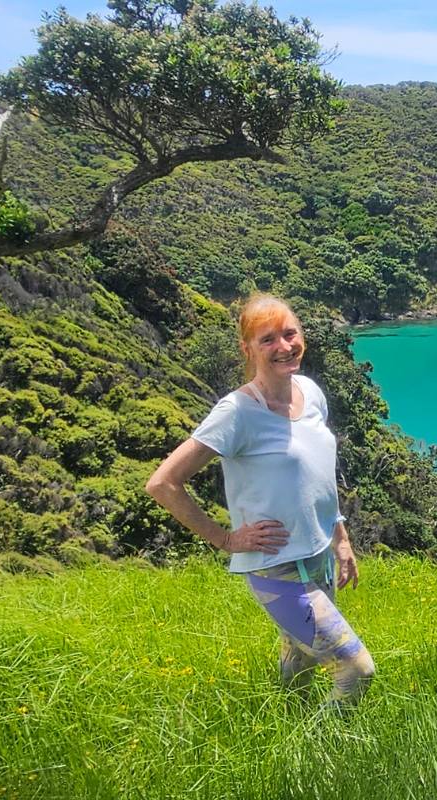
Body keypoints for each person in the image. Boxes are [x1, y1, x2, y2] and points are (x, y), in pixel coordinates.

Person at [146, 294, 375, 708]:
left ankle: (285, 734)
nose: (284, 347)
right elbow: (163, 483)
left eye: (290, 334)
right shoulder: (236, 412)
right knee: (356, 669)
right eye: (268, 339)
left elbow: (319, 475)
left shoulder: (309, 391)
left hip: (319, 555)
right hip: (278, 569)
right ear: (247, 348)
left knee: (301, 662)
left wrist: (340, 538)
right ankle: (319, 755)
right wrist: (225, 539)